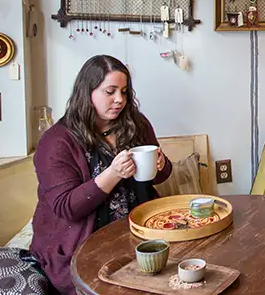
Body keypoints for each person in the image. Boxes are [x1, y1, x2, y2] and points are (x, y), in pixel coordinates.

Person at [29, 55, 172, 294]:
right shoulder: (57, 141)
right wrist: (113, 173)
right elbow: (67, 207)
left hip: (139, 232)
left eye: (124, 92)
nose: (119, 100)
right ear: (87, 92)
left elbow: (158, 177)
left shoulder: (136, 123)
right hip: (82, 242)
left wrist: (161, 164)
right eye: (110, 91)